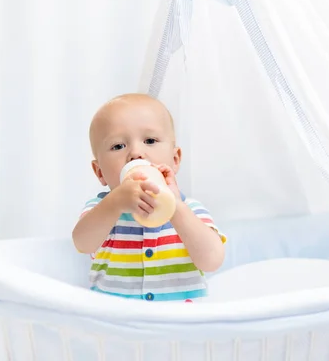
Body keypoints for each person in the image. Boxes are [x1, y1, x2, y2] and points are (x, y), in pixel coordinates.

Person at [72, 93, 226, 302]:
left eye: (150, 140)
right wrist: (114, 202)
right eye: (118, 146)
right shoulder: (102, 208)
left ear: (175, 159)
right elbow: (83, 243)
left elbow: (212, 260)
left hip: (181, 325)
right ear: (99, 172)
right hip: (117, 324)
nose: (136, 153)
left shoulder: (190, 209)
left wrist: (176, 208)